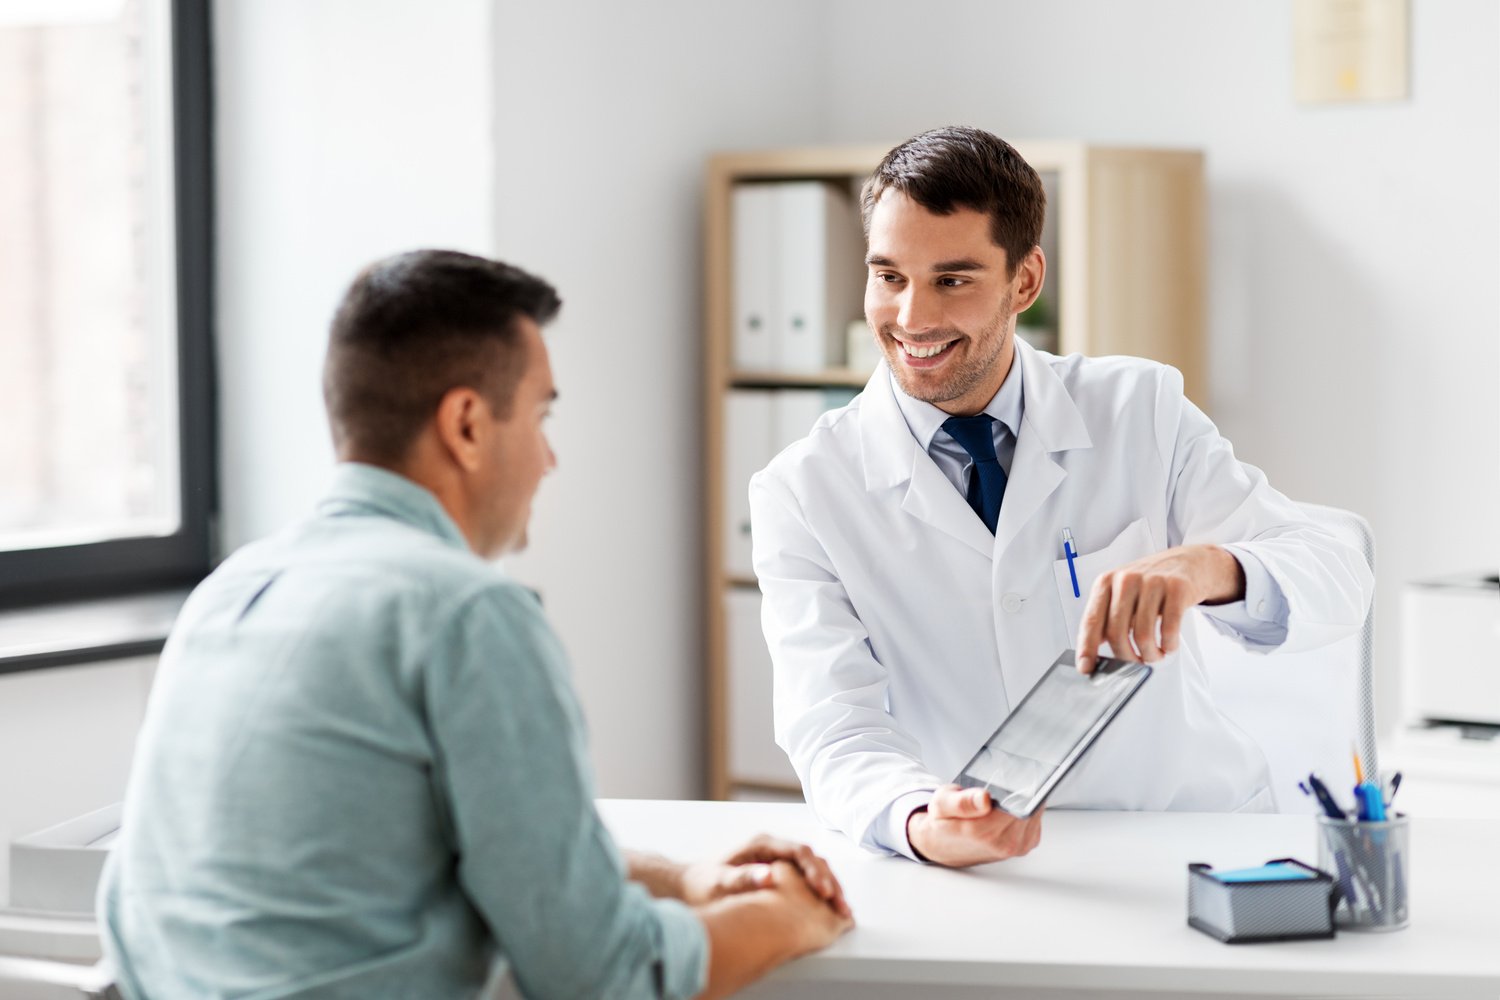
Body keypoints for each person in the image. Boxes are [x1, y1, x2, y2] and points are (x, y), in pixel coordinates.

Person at [98, 250, 852, 999]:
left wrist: (686, 878)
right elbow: (603, 976)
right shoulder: (467, 615)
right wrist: (787, 920)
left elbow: (460, 849)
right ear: (465, 424)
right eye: (540, 414)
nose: (549, 458)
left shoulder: (230, 593)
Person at [749, 127, 1374, 869]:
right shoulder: (803, 489)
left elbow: (1337, 570)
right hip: (983, 865)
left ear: (1025, 280)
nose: (912, 317)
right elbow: (833, 726)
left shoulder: (1139, 407)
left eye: (953, 280)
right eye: (889, 277)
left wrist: (1207, 568)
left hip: (1186, 842)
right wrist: (919, 819)